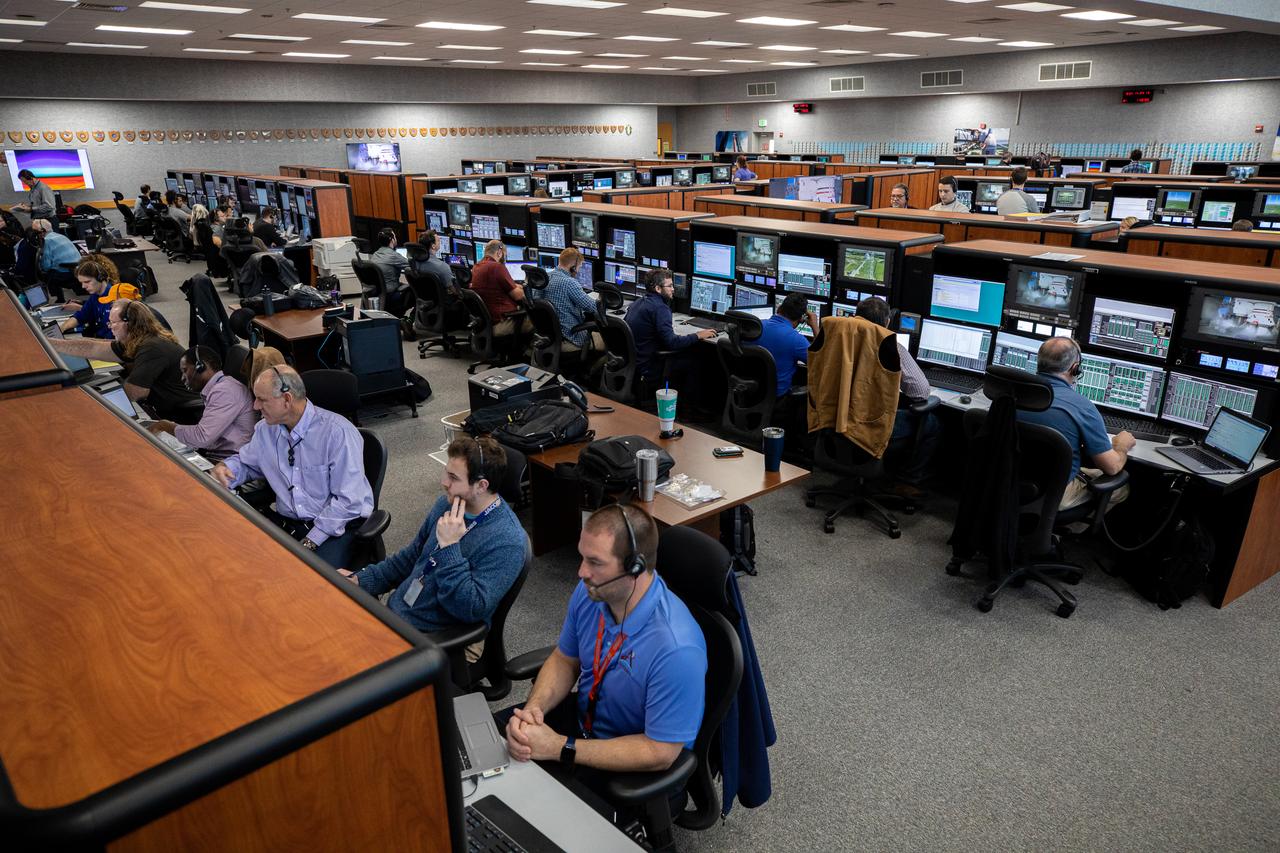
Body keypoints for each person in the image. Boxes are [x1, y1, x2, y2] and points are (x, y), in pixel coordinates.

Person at [502, 504, 707, 782]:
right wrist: (533, 711)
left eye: (595, 562)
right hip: (582, 726)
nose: (581, 572)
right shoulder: (592, 592)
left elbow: (660, 752)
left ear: (635, 567)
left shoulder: (677, 649)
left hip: (630, 764)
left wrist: (558, 747)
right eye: (582, 557)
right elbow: (565, 659)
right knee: (484, 751)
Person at [341, 436, 527, 637]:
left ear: (481, 486)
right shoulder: (446, 504)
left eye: (453, 478)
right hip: (399, 616)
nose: (444, 482)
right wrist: (361, 579)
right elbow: (411, 557)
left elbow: (471, 608)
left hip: (433, 637)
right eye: (446, 472)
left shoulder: (507, 540)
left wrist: (449, 546)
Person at [211, 365, 374, 567]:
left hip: (335, 526)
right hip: (290, 523)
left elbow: (348, 503)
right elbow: (247, 463)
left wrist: (309, 542)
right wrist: (226, 468)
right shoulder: (265, 430)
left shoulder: (338, 433)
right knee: (239, 559)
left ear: (287, 400)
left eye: (262, 399)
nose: (255, 406)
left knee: (304, 578)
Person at [1017, 337, 1134, 510]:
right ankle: (1065, 527)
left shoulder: (1013, 394)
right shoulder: (1082, 407)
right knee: (1120, 488)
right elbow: (1112, 467)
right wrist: (1121, 446)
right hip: (1054, 494)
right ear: (1075, 368)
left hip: (1006, 483)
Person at [49, 300, 204, 423]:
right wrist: (51, 343)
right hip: (169, 406)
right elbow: (94, 348)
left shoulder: (152, 347)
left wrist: (90, 401)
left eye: (113, 323)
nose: (109, 327)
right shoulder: (140, 338)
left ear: (129, 323)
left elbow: (136, 392)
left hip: (184, 415)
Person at [856, 296, 939, 497]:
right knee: (931, 422)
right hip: (871, 425)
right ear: (887, 322)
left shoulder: (839, 342)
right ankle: (907, 481)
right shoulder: (892, 347)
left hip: (840, 420)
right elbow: (920, 392)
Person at [146, 346, 256, 462]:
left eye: (185, 370)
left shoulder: (225, 391)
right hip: (218, 455)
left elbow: (202, 437)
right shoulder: (222, 386)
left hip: (227, 462)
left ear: (200, 367)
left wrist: (164, 426)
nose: (182, 378)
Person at [624, 267, 715, 389]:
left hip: (635, 364)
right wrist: (697, 335)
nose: (673, 289)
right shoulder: (660, 308)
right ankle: (685, 400)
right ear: (658, 288)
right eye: (670, 286)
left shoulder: (638, 303)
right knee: (698, 359)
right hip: (650, 366)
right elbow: (672, 343)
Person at [539, 247, 605, 354]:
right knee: (610, 342)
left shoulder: (545, 278)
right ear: (573, 267)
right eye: (579, 267)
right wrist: (603, 299)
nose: (578, 271)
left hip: (549, 337)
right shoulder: (569, 283)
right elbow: (594, 308)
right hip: (570, 337)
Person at [59, 254, 141, 338]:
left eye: (87, 282)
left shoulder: (116, 297)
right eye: (82, 283)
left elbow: (118, 337)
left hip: (111, 341)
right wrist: (61, 329)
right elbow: (80, 316)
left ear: (100, 278)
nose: (83, 286)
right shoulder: (95, 296)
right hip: (101, 338)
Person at [756, 292, 815, 397]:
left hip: (748, 390)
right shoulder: (797, 340)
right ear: (802, 319)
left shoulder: (755, 327)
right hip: (776, 397)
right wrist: (815, 326)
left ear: (779, 308)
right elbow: (821, 364)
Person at [470, 239, 529, 338]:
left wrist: (515, 286)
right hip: (501, 322)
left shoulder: (477, 267)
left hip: (485, 323)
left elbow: (495, 284)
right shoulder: (497, 267)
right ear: (499, 252)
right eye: (504, 255)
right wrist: (527, 289)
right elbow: (518, 296)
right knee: (536, 320)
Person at [31, 219, 81, 300]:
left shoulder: (47, 240)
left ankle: (58, 299)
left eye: (35, 232)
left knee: (47, 275)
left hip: (66, 273)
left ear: (42, 231)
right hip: (77, 269)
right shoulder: (61, 236)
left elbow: (46, 266)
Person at [367, 226, 410, 314]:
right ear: (392, 240)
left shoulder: (375, 254)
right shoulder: (393, 255)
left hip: (378, 295)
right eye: (395, 236)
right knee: (415, 291)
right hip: (390, 296)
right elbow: (412, 265)